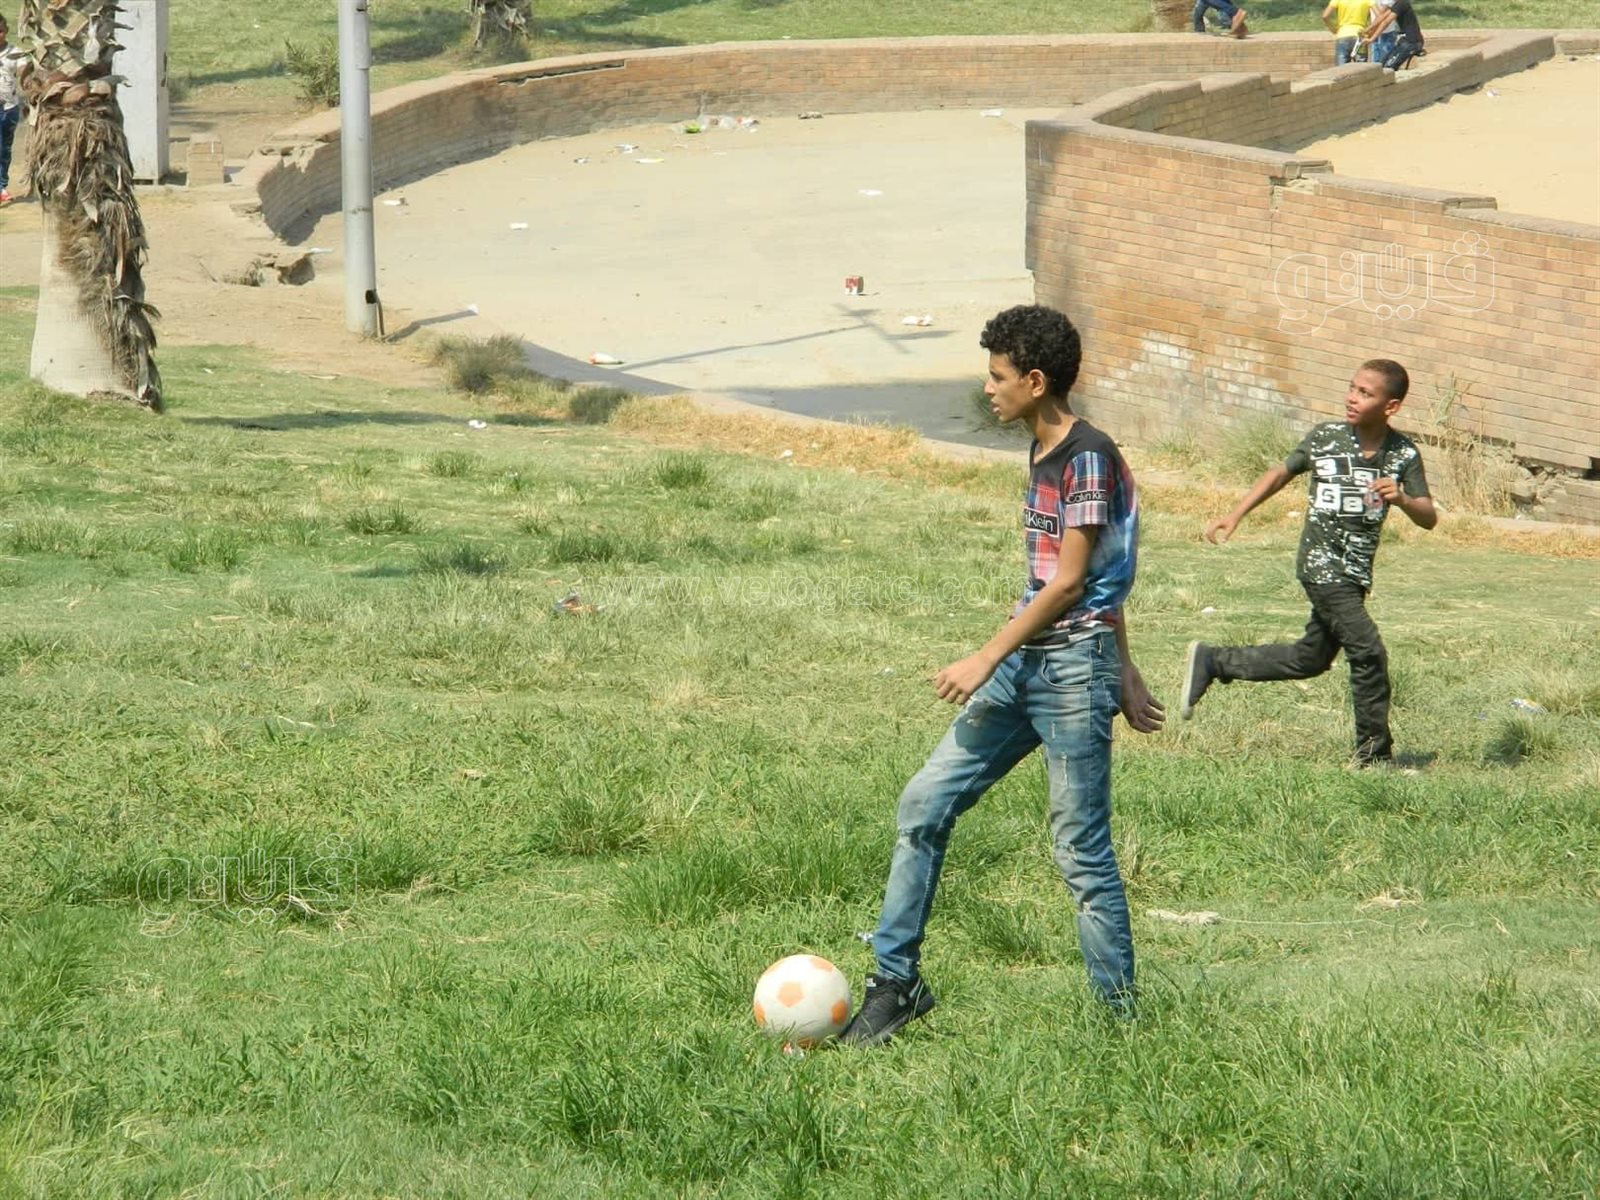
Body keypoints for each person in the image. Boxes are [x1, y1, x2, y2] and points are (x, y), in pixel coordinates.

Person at [839, 305, 1166, 1048]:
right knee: (923, 804)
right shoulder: (1043, 449)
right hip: (1029, 666)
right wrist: (1127, 666)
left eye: (997, 376)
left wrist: (992, 655)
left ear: (1035, 381)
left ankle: (1121, 1026)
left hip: (1069, 673)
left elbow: (1073, 582)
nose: (988, 388)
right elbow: (1100, 569)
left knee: (1080, 852)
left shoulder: (1088, 456)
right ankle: (896, 985)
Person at [1179, 360, 1437, 769]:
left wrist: (1403, 498)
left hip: (1355, 572)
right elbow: (1279, 474)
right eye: (1352, 388)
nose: (1352, 398)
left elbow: (1428, 517)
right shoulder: (1326, 438)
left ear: (1391, 406)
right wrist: (1235, 514)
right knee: (1368, 651)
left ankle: (1214, 661)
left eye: (1365, 393)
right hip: (1321, 565)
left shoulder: (1403, 453)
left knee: (1310, 659)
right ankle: (1373, 756)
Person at [0, 16, 26, 206]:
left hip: (9, 109)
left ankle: (1, 186)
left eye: (0, 31)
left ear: (6, 31)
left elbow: (24, 72)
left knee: (4, 149)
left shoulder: (15, 53)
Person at [1362, 0, 1424, 70]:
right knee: (1382, 63)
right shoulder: (1397, 4)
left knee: (1388, 67)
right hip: (1406, 40)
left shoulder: (1402, 3)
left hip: (1412, 42)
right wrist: (1367, 29)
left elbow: (1386, 22)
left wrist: (1371, 39)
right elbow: (1381, 17)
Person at [1323, 0, 1374, 65]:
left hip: (1343, 34)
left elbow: (1325, 16)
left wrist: (1333, 29)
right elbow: (1379, 16)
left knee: (1341, 69)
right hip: (1360, 36)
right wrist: (1370, 30)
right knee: (1361, 68)